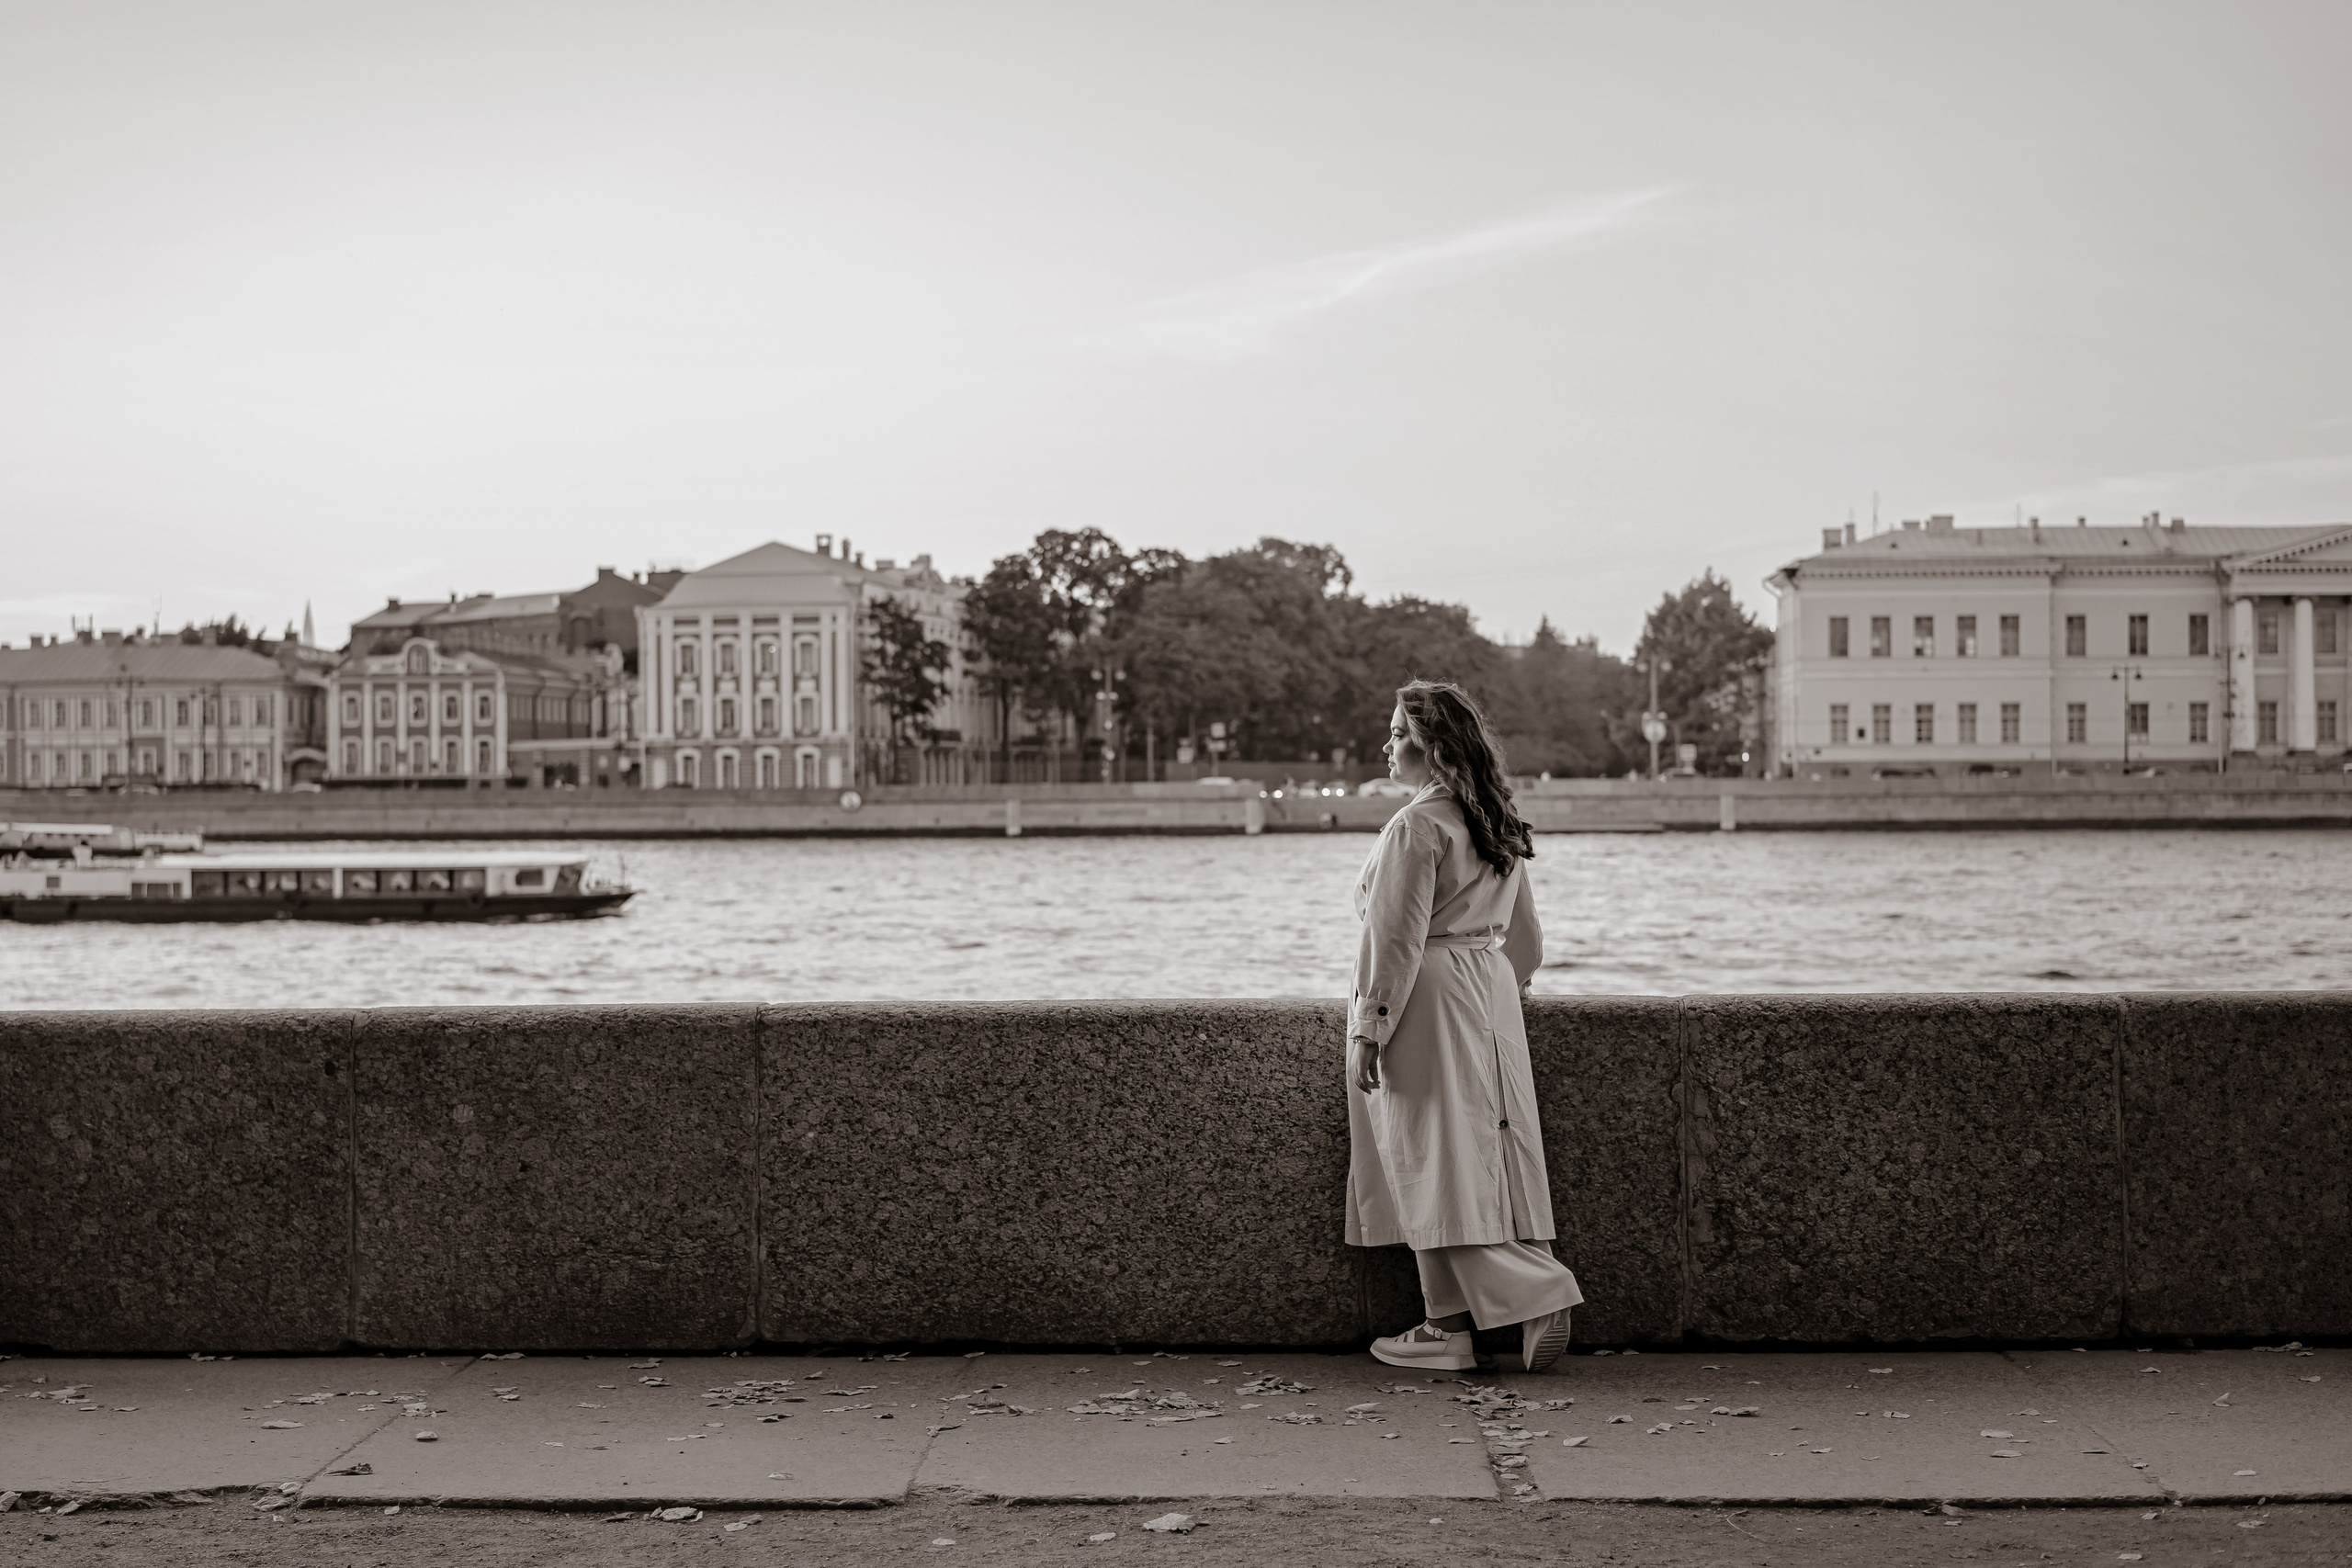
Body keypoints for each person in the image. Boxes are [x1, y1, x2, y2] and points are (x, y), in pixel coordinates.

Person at [1346, 680, 1582, 1373]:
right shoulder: (1489, 819)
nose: (1386, 745)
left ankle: (1534, 1291)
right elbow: (1528, 939)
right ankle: (1444, 1325)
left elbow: (1394, 939)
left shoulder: (1416, 826)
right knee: (1475, 1156)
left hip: (1427, 996)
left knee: (1430, 1154)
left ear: (1429, 745)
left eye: (1395, 733)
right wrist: (1501, 990)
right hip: (1488, 990)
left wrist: (1371, 1024)